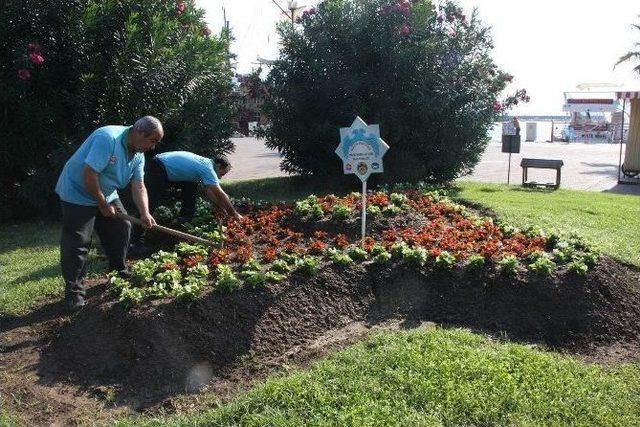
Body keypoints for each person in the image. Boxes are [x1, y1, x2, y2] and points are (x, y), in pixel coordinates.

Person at [55, 116, 163, 312]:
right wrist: (102, 204)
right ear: (139, 133)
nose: (153, 146)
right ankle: (74, 293)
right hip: (77, 191)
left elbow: (138, 185)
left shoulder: (138, 154)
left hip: (106, 192)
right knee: (78, 241)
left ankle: (119, 271)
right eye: (153, 140)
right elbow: (89, 174)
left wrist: (145, 213)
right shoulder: (108, 138)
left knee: (122, 227)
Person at [129, 151, 242, 254]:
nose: (220, 178)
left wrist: (219, 206)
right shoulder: (208, 169)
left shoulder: (205, 163)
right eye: (222, 174)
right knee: (149, 204)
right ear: (218, 166)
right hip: (159, 167)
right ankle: (135, 242)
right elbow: (220, 193)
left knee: (191, 185)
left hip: (161, 164)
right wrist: (234, 213)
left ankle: (185, 218)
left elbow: (209, 191)